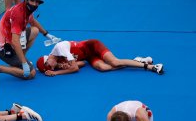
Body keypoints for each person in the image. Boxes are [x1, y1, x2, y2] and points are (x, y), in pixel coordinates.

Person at [0, 0, 61, 80]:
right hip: (3, 47)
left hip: (9, 40)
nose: (34, 4)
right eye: (32, 1)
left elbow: (32, 21)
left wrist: (46, 34)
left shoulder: (26, 9)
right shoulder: (18, 14)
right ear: (26, 0)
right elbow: (15, 41)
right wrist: (24, 63)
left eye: (37, 2)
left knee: (35, 30)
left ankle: (18, 61)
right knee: (31, 73)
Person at [36, 40, 164, 76]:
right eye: (49, 68)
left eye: (49, 65)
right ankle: (137, 61)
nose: (51, 67)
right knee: (102, 68)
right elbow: (81, 64)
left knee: (114, 62)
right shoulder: (58, 60)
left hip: (93, 46)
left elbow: (75, 69)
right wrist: (64, 66)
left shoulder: (59, 48)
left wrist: (57, 73)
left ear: (47, 59)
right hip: (89, 56)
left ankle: (151, 67)